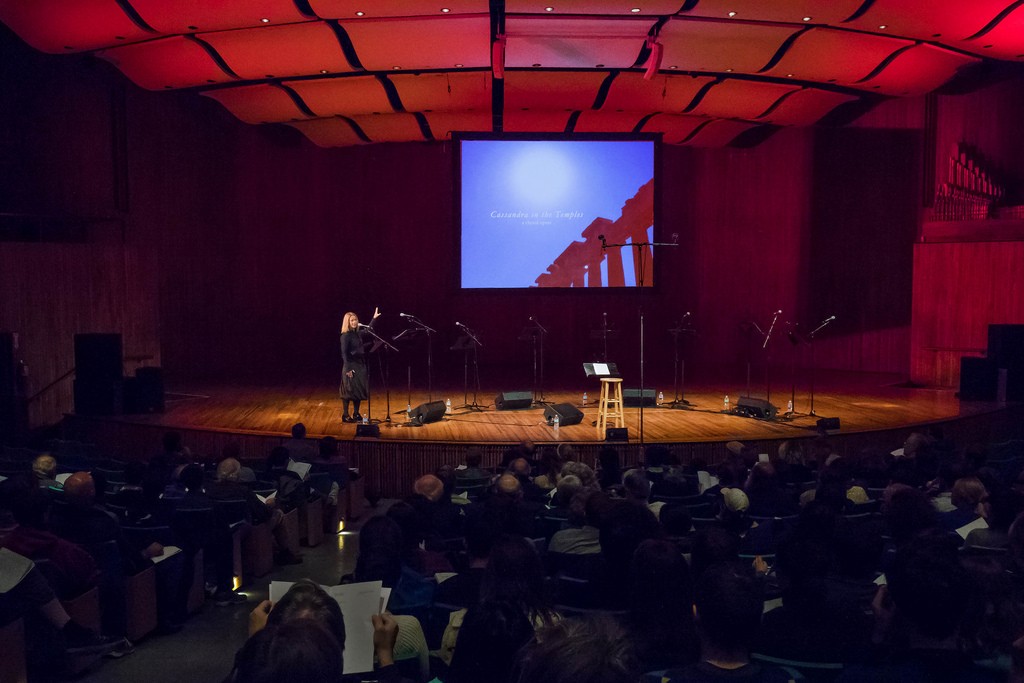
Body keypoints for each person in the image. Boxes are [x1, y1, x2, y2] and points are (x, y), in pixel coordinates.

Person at [339, 307, 380, 423]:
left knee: (358, 390)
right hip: (350, 366)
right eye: (351, 320)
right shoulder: (345, 336)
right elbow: (344, 354)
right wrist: (348, 369)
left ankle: (356, 413)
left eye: (355, 320)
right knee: (348, 391)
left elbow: (369, 330)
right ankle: (345, 415)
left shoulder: (357, 334)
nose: (354, 322)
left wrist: (374, 318)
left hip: (360, 365)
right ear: (347, 322)